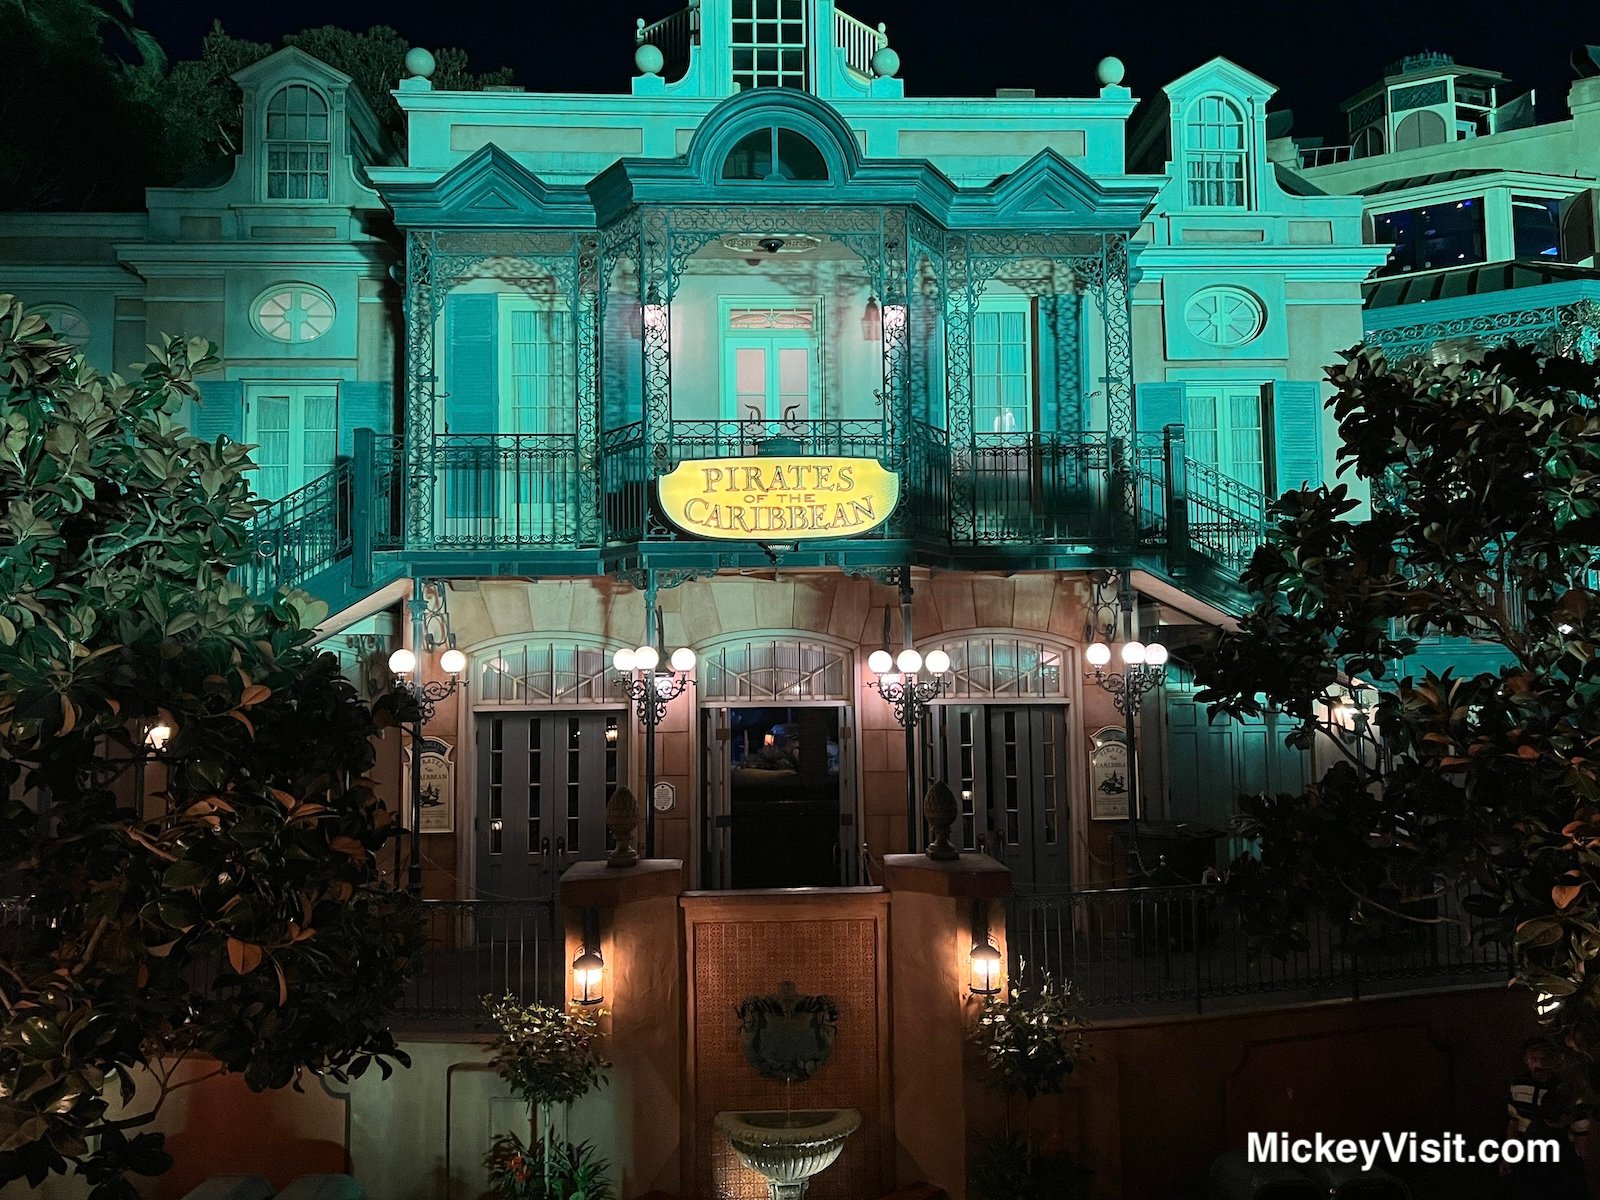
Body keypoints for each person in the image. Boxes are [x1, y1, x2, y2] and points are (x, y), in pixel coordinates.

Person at [1501, 1036, 1592, 1199]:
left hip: (1558, 1159)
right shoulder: (1519, 1085)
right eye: (1534, 1059)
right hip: (1527, 1156)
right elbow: (1513, 1122)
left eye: (1544, 1059)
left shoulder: (1564, 1089)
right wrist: (1509, 1156)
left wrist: (1582, 1167)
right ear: (1526, 1061)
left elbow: (1580, 1132)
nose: (1539, 1064)